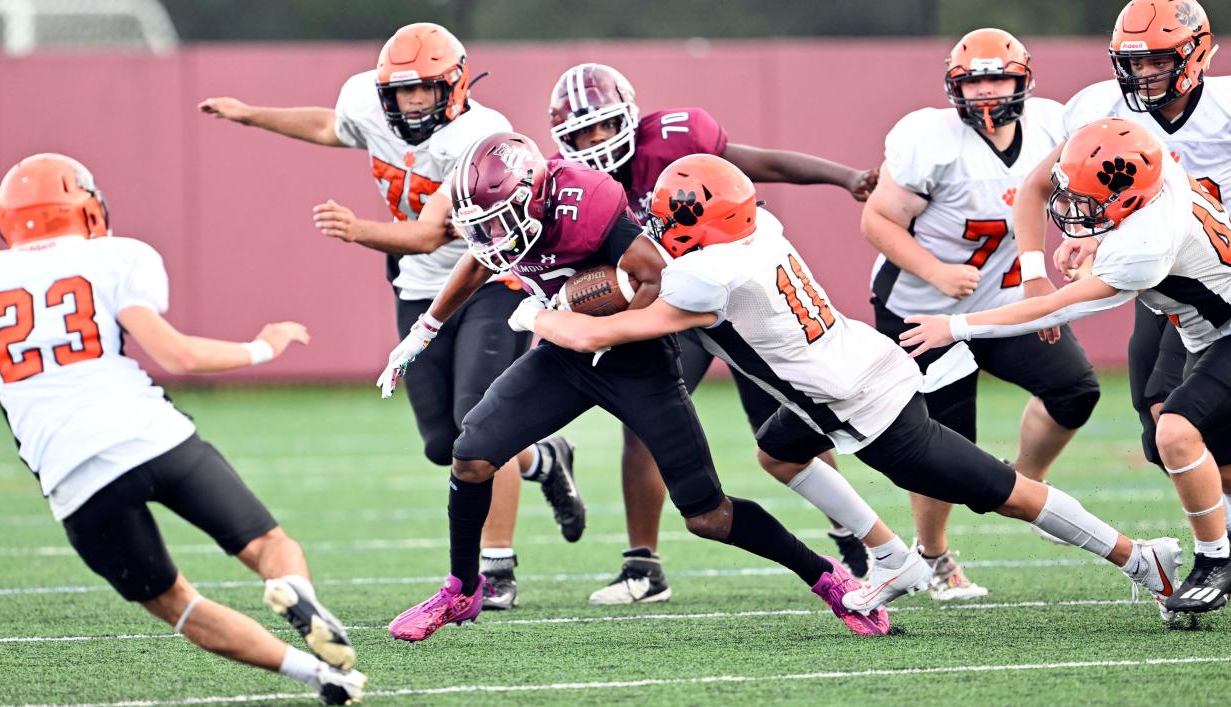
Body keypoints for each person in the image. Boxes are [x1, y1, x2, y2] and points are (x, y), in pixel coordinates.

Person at [523, 152, 1183, 624]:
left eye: (672, 217)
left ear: (705, 223)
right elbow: (677, 259)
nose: (661, 228)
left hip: (866, 406)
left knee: (1003, 492)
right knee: (778, 451)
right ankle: (891, 555)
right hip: (844, 372)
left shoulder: (708, 278)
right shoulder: (758, 229)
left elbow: (599, 335)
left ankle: (1138, 558)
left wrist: (538, 311)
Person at [378, 132, 893, 640]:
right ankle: (462, 590)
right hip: (566, 354)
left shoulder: (587, 203)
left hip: (638, 360)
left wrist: (603, 325)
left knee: (708, 516)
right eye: (483, 224)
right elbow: (481, 258)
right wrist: (426, 328)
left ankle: (824, 576)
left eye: (499, 221)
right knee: (470, 455)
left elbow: (656, 277)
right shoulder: (505, 223)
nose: (493, 235)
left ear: (535, 195)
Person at [198, 22, 582, 610]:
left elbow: (429, 234)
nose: (413, 102)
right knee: (441, 443)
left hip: (491, 277)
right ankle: (546, 457)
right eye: (403, 92)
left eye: (425, 90)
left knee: (479, 425)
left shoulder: (481, 134)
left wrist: (358, 231)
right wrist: (252, 115)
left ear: (452, 86)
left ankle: (497, 565)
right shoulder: (364, 101)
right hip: (417, 285)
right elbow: (331, 124)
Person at [0, 153, 365, 704]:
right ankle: (296, 591)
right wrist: (263, 346)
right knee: (267, 544)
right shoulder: (117, 256)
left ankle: (320, 677)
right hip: (149, 434)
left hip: (73, 475)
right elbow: (177, 354)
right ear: (83, 207)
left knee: (177, 604)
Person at [546, 63, 878, 602]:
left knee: (790, 421)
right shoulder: (571, 186)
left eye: (606, 127)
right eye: (584, 134)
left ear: (629, 118)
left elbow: (758, 164)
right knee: (643, 422)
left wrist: (843, 176)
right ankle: (643, 567)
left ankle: (855, 539)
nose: (598, 142)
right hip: (673, 304)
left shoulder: (676, 140)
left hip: (740, 299)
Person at [900, 118, 1231, 614]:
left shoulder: (1144, 247)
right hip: (1196, 326)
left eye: (1092, 202)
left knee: (1176, 435)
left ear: (1126, 199)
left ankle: (1215, 559)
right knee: (1179, 443)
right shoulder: (1154, 170)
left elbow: (1052, 308)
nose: (1076, 210)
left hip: (1221, 330)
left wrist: (956, 327)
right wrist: (1099, 240)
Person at [861, 28, 1101, 598]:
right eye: (976, 81)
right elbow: (877, 221)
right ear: (955, 86)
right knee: (942, 444)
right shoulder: (929, 138)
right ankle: (935, 556)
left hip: (1001, 303)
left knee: (1075, 389)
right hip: (922, 311)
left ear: (1024, 81)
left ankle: (1028, 480)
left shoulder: (1052, 125)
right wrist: (936, 271)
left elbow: (1074, 198)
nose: (989, 93)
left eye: (1000, 79)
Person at [1014, 0, 1229, 482]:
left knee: (1186, 421)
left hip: (1217, 281)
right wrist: (1035, 276)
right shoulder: (1099, 108)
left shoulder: (1224, 108)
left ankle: (1220, 547)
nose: (1145, 74)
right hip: (1159, 280)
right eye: (1134, 63)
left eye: (1159, 60)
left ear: (1195, 56)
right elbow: (1038, 187)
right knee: (1158, 430)